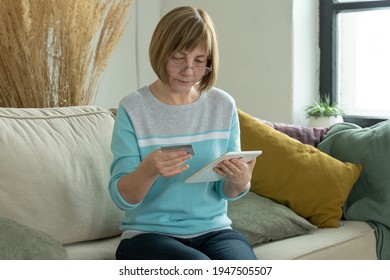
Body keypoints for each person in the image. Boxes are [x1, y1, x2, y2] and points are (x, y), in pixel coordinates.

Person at [108, 6, 257, 260]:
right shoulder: (133, 109)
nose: (189, 71)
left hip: (215, 231)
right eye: (178, 58)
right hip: (147, 236)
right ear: (160, 53)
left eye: (200, 61)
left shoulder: (223, 106)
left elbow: (225, 191)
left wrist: (240, 180)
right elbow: (122, 199)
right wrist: (149, 168)